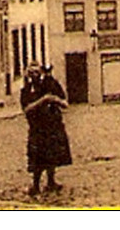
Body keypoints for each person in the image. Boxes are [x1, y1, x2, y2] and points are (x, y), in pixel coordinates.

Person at [20, 62, 72, 196]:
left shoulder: (51, 84)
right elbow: (26, 109)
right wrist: (42, 100)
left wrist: (54, 99)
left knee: (52, 152)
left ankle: (51, 181)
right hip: (37, 127)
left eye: (36, 72)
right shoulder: (26, 90)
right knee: (37, 155)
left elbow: (65, 103)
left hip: (53, 124)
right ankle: (35, 184)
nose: (34, 76)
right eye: (31, 73)